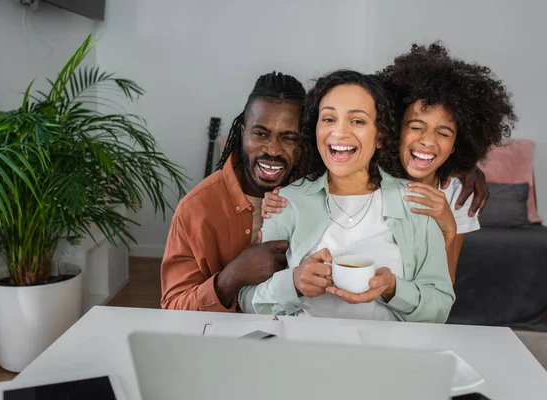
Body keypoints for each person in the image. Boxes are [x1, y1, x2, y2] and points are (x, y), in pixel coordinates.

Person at [262, 42, 516, 282]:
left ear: (457, 144)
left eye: (444, 133)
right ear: (392, 129)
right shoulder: (369, 168)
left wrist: (448, 227)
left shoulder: (457, 194)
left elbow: (443, 292)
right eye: (416, 127)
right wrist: (277, 201)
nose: (427, 141)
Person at [239, 69, 455, 323]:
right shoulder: (287, 202)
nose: (339, 133)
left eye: (358, 121)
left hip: (387, 357)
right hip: (304, 353)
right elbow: (247, 302)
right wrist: (294, 283)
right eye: (329, 119)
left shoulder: (415, 202)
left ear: (380, 136)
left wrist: (394, 289)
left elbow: (440, 309)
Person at [160, 72, 305, 311]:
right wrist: (231, 277)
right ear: (241, 133)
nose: (273, 150)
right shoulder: (196, 208)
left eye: (289, 138)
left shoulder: (319, 195)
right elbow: (173, 307)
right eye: (260, 134)